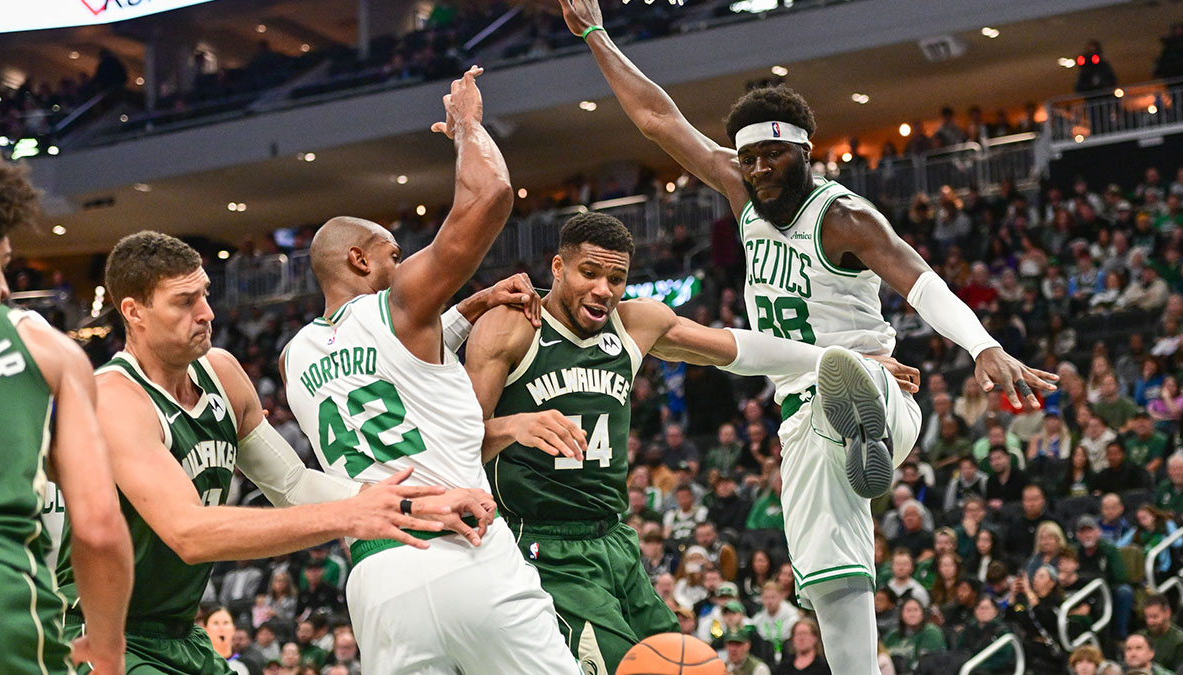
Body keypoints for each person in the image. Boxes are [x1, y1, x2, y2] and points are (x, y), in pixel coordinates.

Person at [559, 1, 1058, 672]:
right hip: (800, 420)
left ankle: (867, 417)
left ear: (804, 151)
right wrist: (595, 33)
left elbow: (920, 279)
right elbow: (657, 119)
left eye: (774, 154)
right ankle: (859, 433)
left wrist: (982, 345)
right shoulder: (741, 191)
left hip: (881, 388)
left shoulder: (844, 216)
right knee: (832, 583)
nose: (760, 167)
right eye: (752, 157)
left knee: (850, 373)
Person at [465, 212, 917, 672]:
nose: (604, 288)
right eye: (590, 273)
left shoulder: (635, 324)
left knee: (686, 664)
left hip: (615, 538)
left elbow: (736, 349)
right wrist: (512, 426)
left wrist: (841, 360)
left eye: (617, 278)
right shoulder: (512, 325)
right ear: (558, 268)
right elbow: (458, 443)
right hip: (541, 543)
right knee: (624, 666)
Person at [53, 229, 475, 675]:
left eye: (205, 295)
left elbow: (292, 484)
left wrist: (412, 503)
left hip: (179, 632)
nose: (206, 313)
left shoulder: (221, 372)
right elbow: (190, 533)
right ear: (134, 313)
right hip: (99, 636)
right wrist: (352, 515)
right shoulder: (115, 399)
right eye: (184, 302)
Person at [282, 68, 580, 675]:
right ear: (359, 258)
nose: (402, 264)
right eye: (394, 254)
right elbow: (492, 194)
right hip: (463, 546)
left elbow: (392, 372)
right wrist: (467, 124)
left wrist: (472, 306)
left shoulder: (294, 358)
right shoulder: (396, 307)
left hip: (377, 578)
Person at [0, 155, 134, 675]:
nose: (6, 286)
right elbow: (98, 528)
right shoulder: (41, 347)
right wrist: (107, 646)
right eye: (2, 261)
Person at [1142, 594, 1183, 670]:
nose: (1150, 622)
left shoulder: (1182, 642)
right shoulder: (1140, 637)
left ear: (1167, 613)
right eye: (1147, 617)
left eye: (1155, 617)